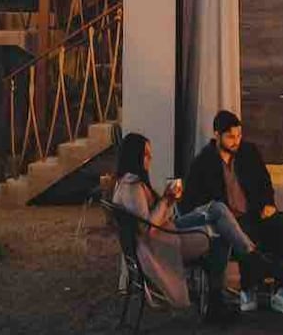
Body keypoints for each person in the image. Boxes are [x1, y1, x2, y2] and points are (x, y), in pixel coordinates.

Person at [111, 132, 261, 323]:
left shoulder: (126, 183)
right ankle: (216, 302)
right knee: (219, 237)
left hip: (165, 231)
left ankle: (249, 253)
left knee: (217, 208)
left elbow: (152, 221)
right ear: (135, 157)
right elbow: (147, 228)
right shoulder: (132, 187)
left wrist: (170, 201)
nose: (151, 158)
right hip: (158, 244)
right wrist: (165, 200)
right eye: (146, 154)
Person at [182, 110, 283, 315]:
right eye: (230, 137)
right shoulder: (203, 163)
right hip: (228, 221)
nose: (236, 141)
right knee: (245, 231)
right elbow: (192, 201)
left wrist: (268, 204)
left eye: (239, 135)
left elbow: (265, 183)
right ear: (217, 135)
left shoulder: (249, 152)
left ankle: (281, 292)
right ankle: (248, 289)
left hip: (255, 212)